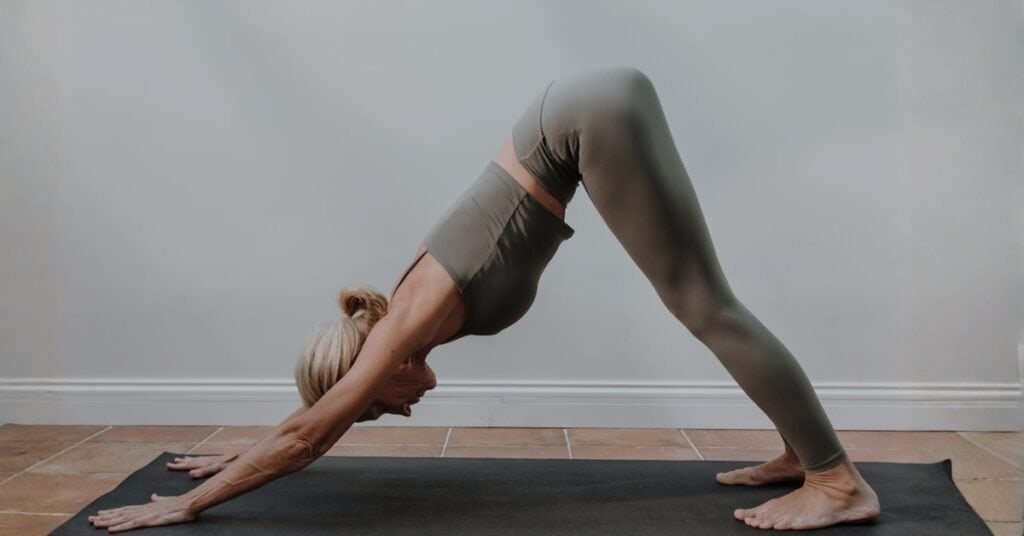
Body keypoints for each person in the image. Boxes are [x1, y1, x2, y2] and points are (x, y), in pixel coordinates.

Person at [88, 66, 880, 533]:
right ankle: (800, 450)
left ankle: (838, 481)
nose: (393, 411)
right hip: (581, 111)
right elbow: (309, 420)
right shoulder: (392, 322)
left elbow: (306, 437)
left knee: (705, 306)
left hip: (585, 120)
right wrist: (234, 450)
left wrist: (185, 510)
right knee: (705, 302)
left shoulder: (405, 323)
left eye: (374, 406)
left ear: (366, 368)